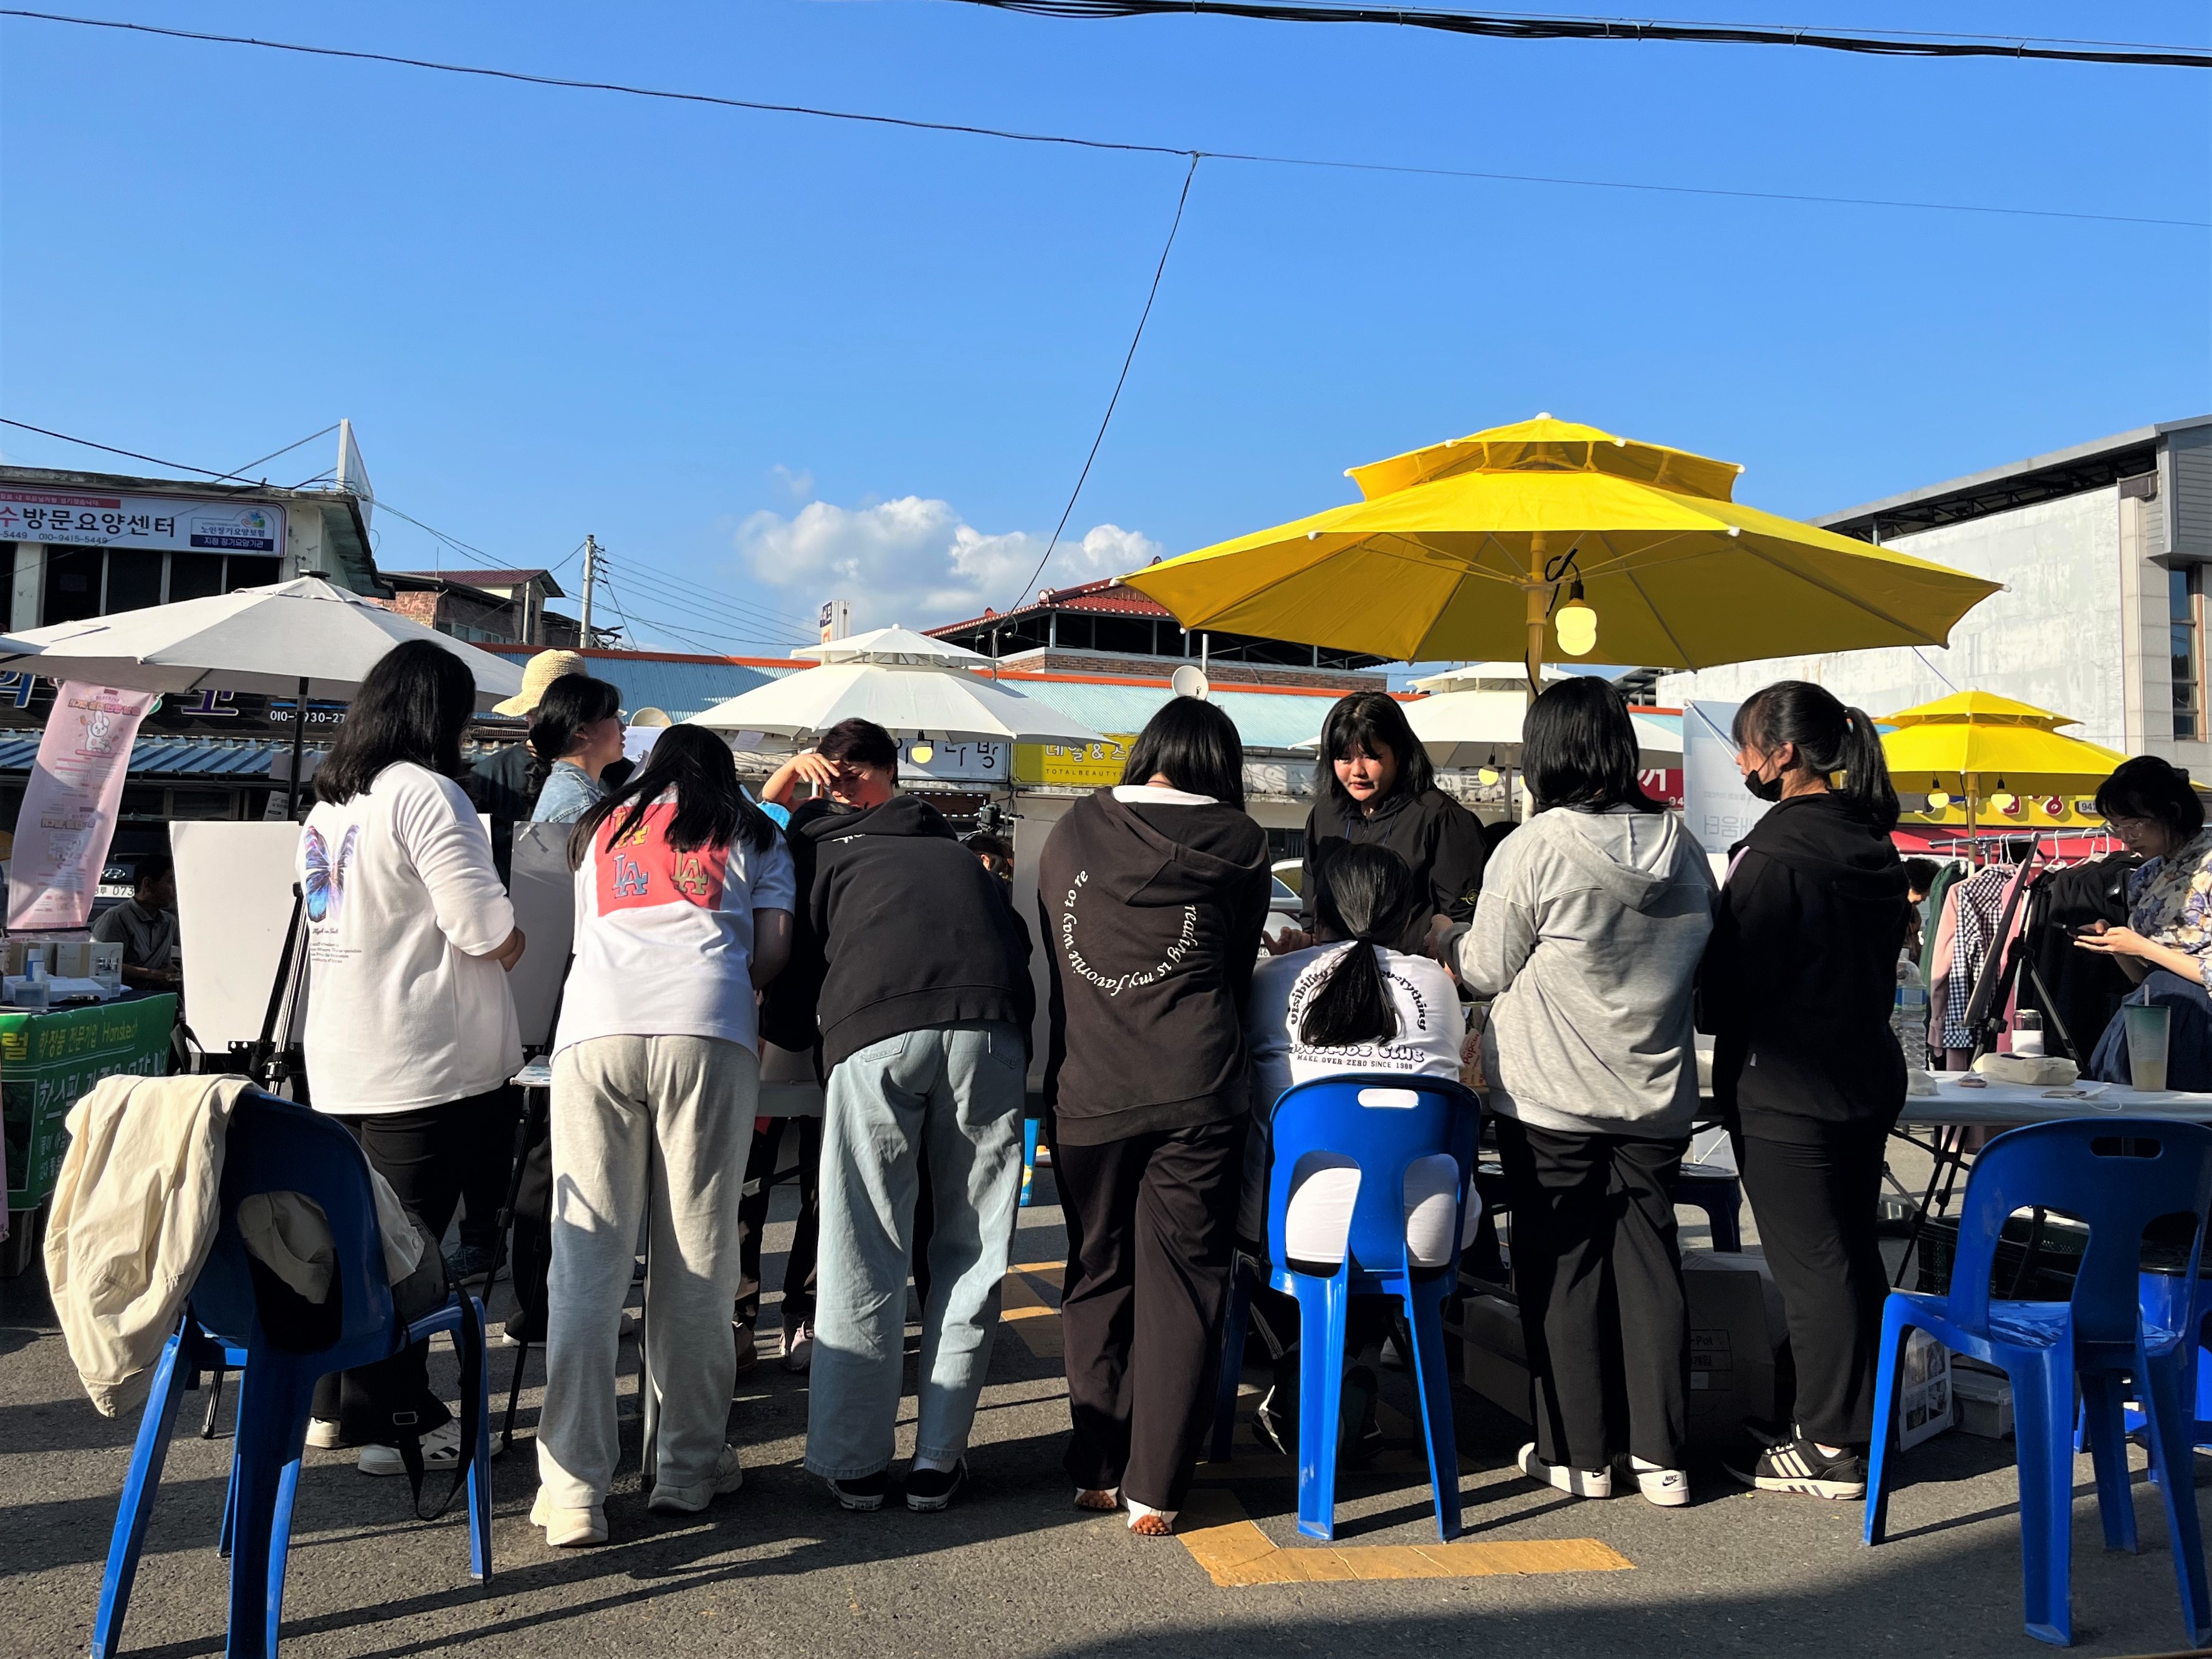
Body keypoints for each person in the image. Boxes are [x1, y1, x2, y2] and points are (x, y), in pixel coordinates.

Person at [1447, 676, 1714, 1508]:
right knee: (1651, 1266)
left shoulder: (1535, 846)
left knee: (1560, 1267)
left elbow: (1484, 967)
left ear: (1546, 753)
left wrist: (1444, 937)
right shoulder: (1682, 845)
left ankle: (1579, 1454)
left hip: (1551, 1096)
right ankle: (1662, 1459)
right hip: (1655, 1094)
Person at [532, 725, 794, 1547]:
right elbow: (772, 953)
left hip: (594, 1032)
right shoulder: (754, 827)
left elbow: (584, 939)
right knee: (698, 1255)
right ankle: (685, 1466)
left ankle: (573, 1489)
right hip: (707, 1031)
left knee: (587, 1262)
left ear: (650, 766)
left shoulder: (599, 825)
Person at [1039, 697, 1273, 1536]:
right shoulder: (1241, 843)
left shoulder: (1071, 831)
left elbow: (1063, 965)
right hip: (1198, 1082)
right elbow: (1236, 973)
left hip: (1090, 1084)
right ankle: (1158, 1488)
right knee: (1184, 1280)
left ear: (1147, 753)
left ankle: (1099, 1467)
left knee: (1097, 1270)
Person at [296, 640, 527, 1477]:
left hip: (342, 1054)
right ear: (443, 715)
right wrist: (517, 940)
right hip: (424, 1059)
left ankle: (332, 1404)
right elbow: (484, 929)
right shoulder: (428, 793)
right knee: (407, 1252)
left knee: (351, 1239)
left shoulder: (329, 806)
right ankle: (396, 1422)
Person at [798, 718, 1035, 1514]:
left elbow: (794, 964)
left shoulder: (825, 849)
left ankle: (854, 1464)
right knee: (972, 1244)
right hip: (989, 1026)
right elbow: (1015, 948)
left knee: (863, 1242)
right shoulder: (956, 852)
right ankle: (938, 1462)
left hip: (875, 1029)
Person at [1700, 680, 1910, 1502]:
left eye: (1746, 746)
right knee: (1852, 1252)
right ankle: (1858, 1421)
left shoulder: (1774, 852)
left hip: (1784, 1083)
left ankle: (1830, 1445)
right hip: (1864, 1071)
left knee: (1812, 1265)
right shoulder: (1871, 840)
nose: (1740, 761)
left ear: (1782, 754)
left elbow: (1728, 985)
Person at [1239, 842, 1469, 1458]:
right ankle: (1353, 1361)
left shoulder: (1272, 981)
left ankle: (1304, 1367)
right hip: (1425, 1235)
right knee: (1375, 1236)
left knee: (1242, 1230)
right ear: (1408, 917)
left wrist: (1294, 962)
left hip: (1293, 1232)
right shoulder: (1436, 985)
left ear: (1317, 911)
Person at [1276, 689, 1487, 955]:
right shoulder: (1324, 815)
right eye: (1344, 758)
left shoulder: (1441, 817)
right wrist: (1303, 942)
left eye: (1372, 756)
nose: (1358, 771)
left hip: (1411, 974)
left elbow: (1462, 918)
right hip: (1333, 970)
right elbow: (1312, 911)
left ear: (1399, 753)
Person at [2075, 755, 2212, 1085]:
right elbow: (2142, 976)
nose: (2126, 837)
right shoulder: (2145, 875)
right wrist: (2117, 946)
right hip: (2148, 1012)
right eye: (2116, 826)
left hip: (2200, 1017)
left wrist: (2142, 947)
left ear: (2173, 812)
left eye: (2134, 824)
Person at [529, 674, 626, 824]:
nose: (623, 727)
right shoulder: (579, 804)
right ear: (581, 730)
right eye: (614, 717)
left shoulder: (573, 792)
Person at [92, 852, 181, 993]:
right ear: (148, 885)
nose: (176, 888)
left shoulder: (169, 922)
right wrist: (154, 975)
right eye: (170, 881)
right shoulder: (116, 918)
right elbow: (99, 965)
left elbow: (165, 964)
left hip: (157, 996)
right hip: (123, 997)